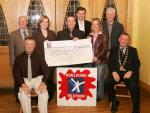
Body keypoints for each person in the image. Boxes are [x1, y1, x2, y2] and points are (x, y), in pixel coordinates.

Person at [13, 37, 49, 113]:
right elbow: (16, 73)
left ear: (34, 45)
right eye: (27, 44)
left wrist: (43, 82)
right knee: (23, 93)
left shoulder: (40, 56)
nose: (29, 46)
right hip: (25, 79)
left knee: (44, 93)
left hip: (38, 79)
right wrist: (22, 84)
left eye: (31, 44)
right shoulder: (19, 58)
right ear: (24, 45)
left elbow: (46, 70)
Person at [107, 33, 140, 113]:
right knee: (107, 82)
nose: (124, 41)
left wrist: (130, 71)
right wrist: (114, 72)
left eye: (126, 39)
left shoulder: (133, 50)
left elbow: (137, 63)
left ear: (128, 41)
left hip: (129, 73)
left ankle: (136, 110)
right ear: (119, 40)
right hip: (117, 72)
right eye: (122, 39)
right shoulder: (113, 50)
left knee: (134, 86)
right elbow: (110, 62)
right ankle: (114, 101)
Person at [32, 15, 56, 101]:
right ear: (39, 23)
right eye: (43, 22)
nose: (45, 24)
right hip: (39, 61)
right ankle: (39, 96)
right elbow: (34, 47)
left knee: (50, 78)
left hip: (51, 60)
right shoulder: (35, 33)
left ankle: (49, 96)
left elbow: (56, 47)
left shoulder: (52, 33)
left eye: (46, 22)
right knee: (40, 79)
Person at [9, 16, 32, 102]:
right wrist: (13, 65)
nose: (22, 23)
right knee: (18, 80)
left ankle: (29, 95)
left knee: (29, 79)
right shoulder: (13, 34)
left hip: (31, 61)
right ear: (18, 23)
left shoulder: (32, 32)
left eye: (24, 21)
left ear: (27, 22)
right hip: (18, 63)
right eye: (21, 21)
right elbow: (11, 52)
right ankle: (19, 97)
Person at [87, 18, 108, 101]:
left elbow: (105, 49)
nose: (95, 26)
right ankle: (91, 94)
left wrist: (97, 57)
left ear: (99, 25)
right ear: (91, 26)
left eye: (96, 24)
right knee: (91, 78)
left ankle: (99, 96)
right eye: (93, 24)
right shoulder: (89, 35)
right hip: (90, 60)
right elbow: (86, 47)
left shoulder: (103, 35)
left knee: (99, 79)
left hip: (100, 61)